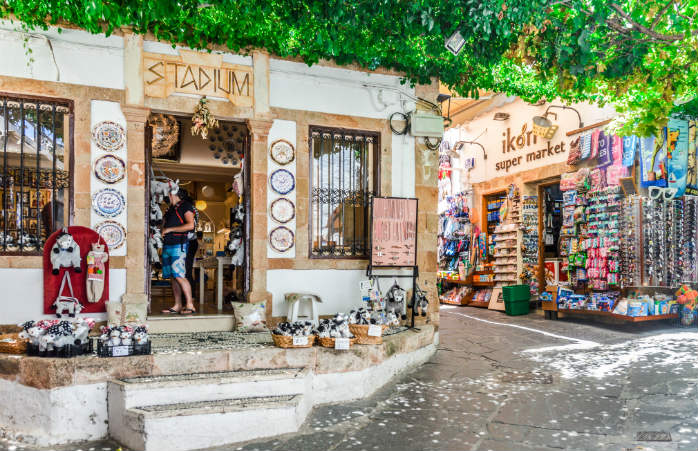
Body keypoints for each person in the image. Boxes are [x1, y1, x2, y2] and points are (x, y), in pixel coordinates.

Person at [160, 183, 197, 315]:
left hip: (178, 245)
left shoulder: (186, 206)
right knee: (173, 277)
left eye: (167, 195)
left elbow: (190, 225)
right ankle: (177, 305)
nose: (166, 197)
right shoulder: (170, 209)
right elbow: (163, 225)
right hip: (167, 245)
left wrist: (169, 229)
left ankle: (190, 304)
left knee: (179, 275)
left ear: (172, 193)